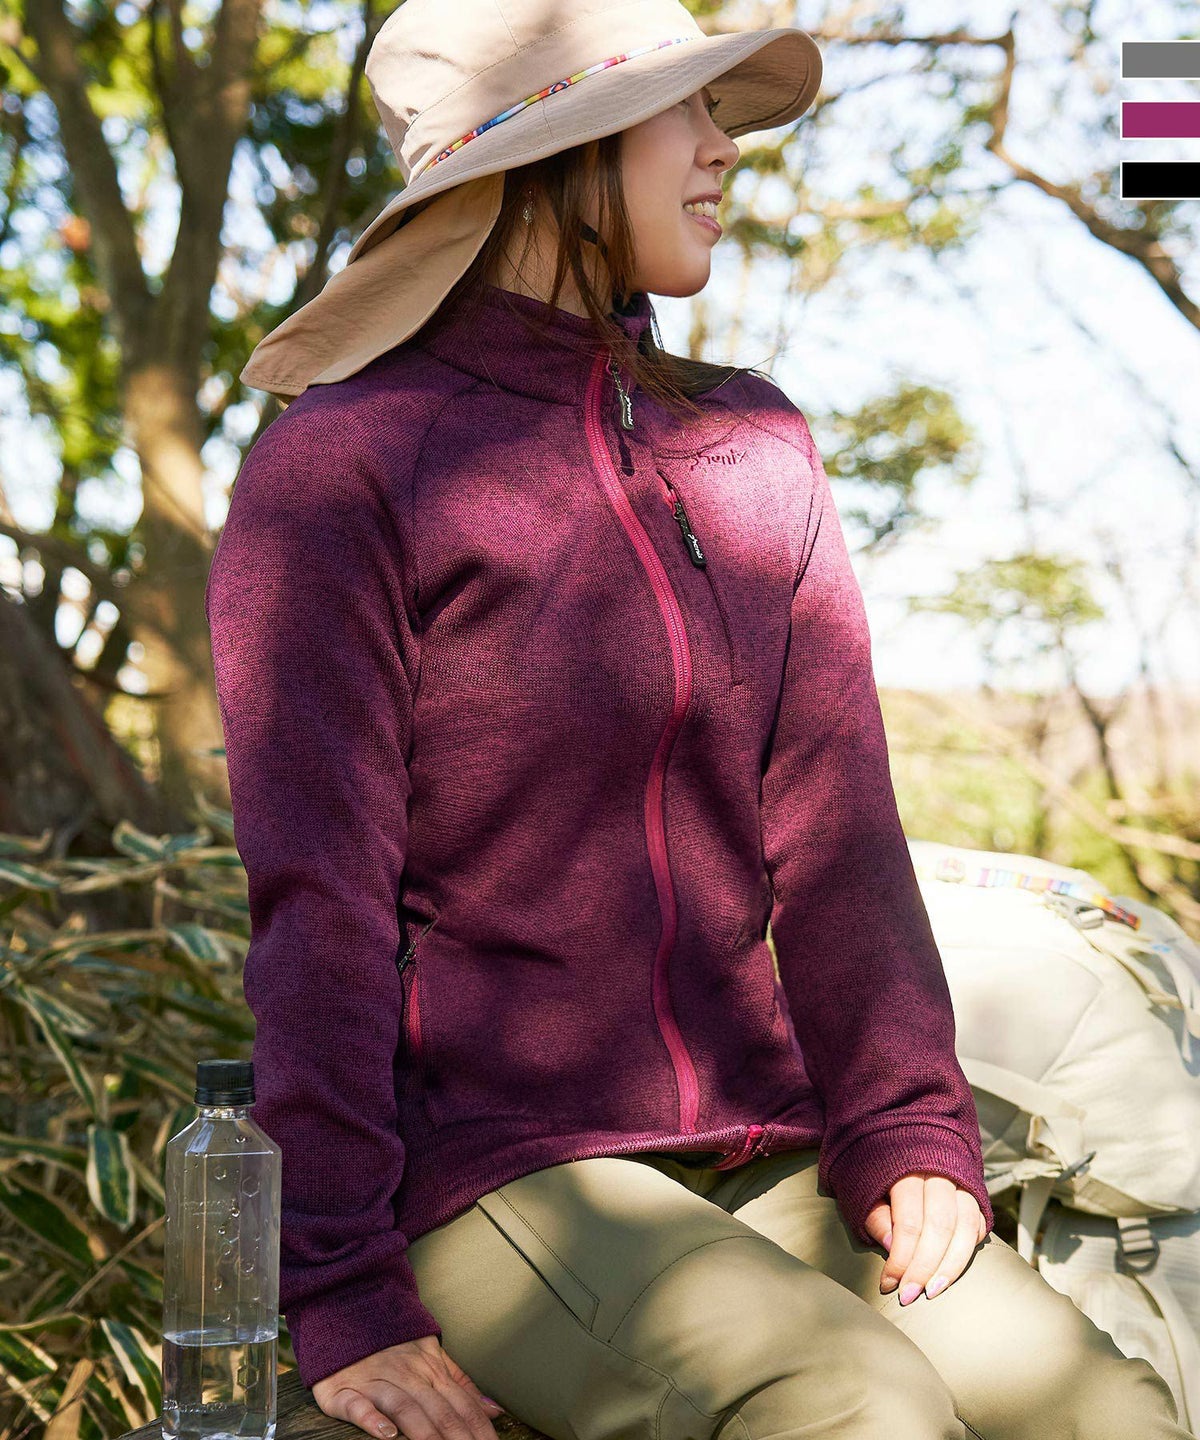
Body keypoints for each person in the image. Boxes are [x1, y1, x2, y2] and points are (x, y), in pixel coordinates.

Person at [205, 3, 1196, 1439]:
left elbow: (841, 834)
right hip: (494, 1173)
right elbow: (319, 905)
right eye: (687, 111)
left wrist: (909, 1123)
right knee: (848, 1402)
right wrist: (340, 1288)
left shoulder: (753, 445)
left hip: (761, 1140)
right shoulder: (344, 467)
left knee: (1104, 1411)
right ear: (561, 151)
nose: (725, 148)